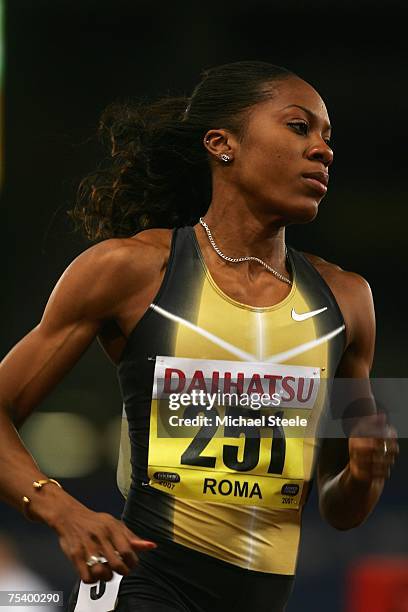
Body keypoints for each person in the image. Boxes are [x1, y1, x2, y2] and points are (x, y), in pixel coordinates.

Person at [0, 61, 399, 612]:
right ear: (222, 144)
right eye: (298, 127)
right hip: (144, 585)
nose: (323, 150)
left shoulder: (349, 302)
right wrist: (60, 510)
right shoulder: (133, 269)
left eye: (328, 138)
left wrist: (363, 471)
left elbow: (341, 511)